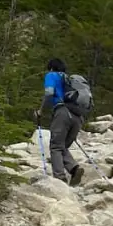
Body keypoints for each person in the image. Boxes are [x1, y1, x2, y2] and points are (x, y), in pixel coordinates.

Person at [36, 58, 84, 186]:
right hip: (78, 116)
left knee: (56, 146)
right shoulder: (69, 79)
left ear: (51, 67)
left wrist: (41, 111)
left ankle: (60, 178)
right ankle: (74, 169)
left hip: (62, 112)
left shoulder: (51, 75)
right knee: (62, 146)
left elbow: (49, 93)